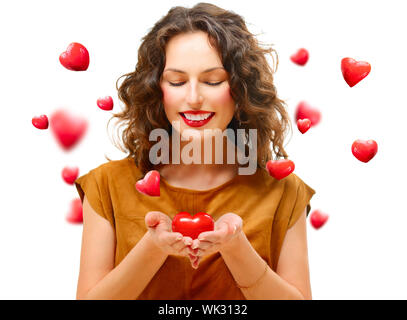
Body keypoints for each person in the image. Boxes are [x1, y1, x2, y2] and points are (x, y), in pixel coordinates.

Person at [74, 2, 315, 300]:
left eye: (212, 81)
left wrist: (236, 248)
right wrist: (152, 248)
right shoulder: (106, 185)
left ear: (240, 90)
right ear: (157, 89)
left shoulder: (284, 192)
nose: (193, 98)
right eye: (176, 81)